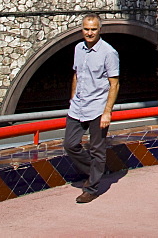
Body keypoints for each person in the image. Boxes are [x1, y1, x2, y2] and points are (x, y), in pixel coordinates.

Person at [63, 14, 119, 203]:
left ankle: (92, 188)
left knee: (97, 149)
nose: (89, 32)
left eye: (93, 29)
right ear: (82, 29)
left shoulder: (109, 52)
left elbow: (114, 84)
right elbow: (77, 75)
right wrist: (73, 98)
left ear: (99, 30)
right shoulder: (78, 48)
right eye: (86, 29)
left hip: (97, 108)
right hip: (78, 106)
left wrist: (107, 112)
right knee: (70, 144)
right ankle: (96, 170)